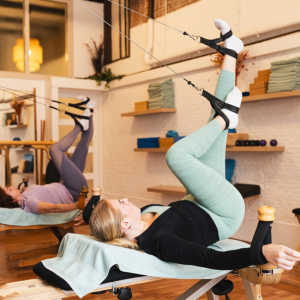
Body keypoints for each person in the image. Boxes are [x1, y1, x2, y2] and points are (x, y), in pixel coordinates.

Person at [88, 19, 300, 271]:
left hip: (199, 200)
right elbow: (213, 259)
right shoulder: (161, 242)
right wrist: (261, 252)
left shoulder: (142, 217)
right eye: (120, 203)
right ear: (124, 225)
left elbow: (98, 218)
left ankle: (231, 50)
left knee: (213, 116)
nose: (124, 199)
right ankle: (226, 119)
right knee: (176, 155)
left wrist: (90, 213)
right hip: (223, 213)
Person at [0, 98, 95, 215]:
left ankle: (90, 110)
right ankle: (80, 125)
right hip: (74, 189)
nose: (10, 186)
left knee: (82, 146)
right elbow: (53, 208)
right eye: (9, 190)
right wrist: (77, 205)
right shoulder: (28, 203)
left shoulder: (25, 194)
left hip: (66, 183)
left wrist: (27, 189)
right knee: (54, 149)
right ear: (13, 200)